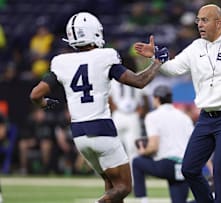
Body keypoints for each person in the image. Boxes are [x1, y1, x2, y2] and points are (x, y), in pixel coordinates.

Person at [29, 12, 169, 203]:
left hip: (79, 134)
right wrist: (158, 62)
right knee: (124, 187)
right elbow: (139, 81)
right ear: (94, 33)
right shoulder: (105, 57)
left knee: (111, 184)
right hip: (102, 130)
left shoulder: (61, 62)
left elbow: (35, 95)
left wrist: (45, 104)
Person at [134, 4, 221, 203]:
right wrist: (155, 57)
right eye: (198, 20)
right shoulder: (196, 47)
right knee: (189, 168)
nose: (199, 24)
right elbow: (174, 69)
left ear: (218, 22)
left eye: (204, 20)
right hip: (206, 117)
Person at [132, 85, 194, 203]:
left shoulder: (152, 116)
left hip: (167, 164)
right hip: (184, 166)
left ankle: (143, 200)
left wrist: (143, 151)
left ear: (157, 98)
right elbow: (194, 144)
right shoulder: (184, 117)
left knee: (137, 162)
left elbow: (154, 146)